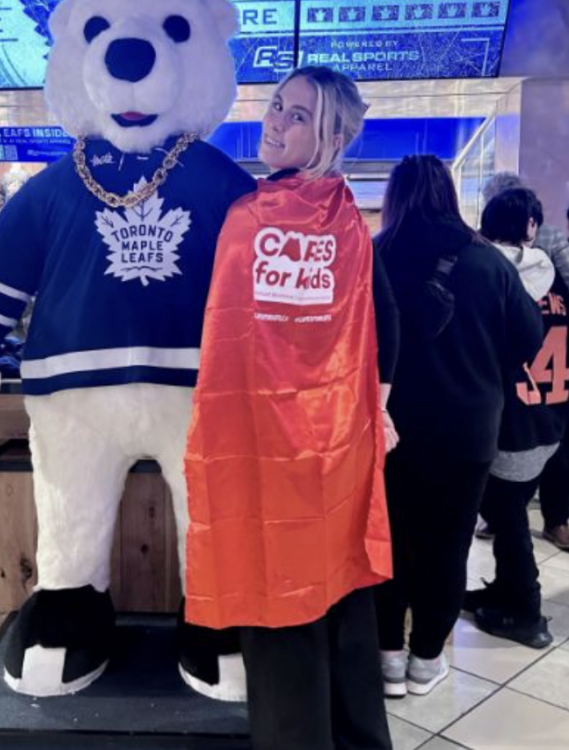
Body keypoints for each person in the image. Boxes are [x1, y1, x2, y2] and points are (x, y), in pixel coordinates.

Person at [185, 66, 397, 750]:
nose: (276, 121)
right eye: (277, 106)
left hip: (265, 453)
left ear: (333, 134)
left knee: (277, 604)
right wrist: (373, 408)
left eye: (298, 115)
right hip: (335, 454)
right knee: (340, 602)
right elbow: (386, 326)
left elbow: (224, 339)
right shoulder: (351, 227)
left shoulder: (249, 218)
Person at [374, 156, 544, 697]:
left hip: (387, 430)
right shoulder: (487, 262)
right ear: (449, 193)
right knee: (447, 547)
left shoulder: (373, 256)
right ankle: (426, 661)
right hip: (467, 431)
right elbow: (527, 339)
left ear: (396, 196)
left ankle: (387, 661)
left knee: (390, 543)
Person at [464, 187, 564, 648]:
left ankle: (526, 612)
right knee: (508, 514)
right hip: (551, 420)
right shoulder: (556, 278)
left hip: (510, 423)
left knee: (506, 517)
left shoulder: (489, 277)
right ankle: (507, 591)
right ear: (529, 227)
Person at [479, 173, 569, 550]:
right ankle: (555, 521)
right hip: (553, 400)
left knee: (505, 504)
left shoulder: (488, 273)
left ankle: (518, 598)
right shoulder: (555, 271)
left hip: (512, 408)